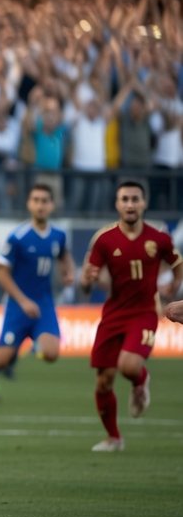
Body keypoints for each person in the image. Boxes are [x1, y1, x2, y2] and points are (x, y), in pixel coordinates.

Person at [78, 180, 181, 452]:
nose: (130, 204)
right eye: (125, 199)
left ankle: (141, 380)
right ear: (117, 204)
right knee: (103, 382)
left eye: (135, 199)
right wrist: (87, 280)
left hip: (145, 312)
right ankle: (114, 438)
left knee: (129, 366)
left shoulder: (158, 238)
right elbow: (87, 283)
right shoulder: (104, 239)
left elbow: (177, 263)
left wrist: (174, 287)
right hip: (113, 314)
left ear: (144, 203)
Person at [0, 184, 73, 420]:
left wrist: (67, 272)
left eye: (44, 200)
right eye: (36, 200)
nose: (40, 205)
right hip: (17, 307)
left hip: (43, 305)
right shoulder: (18, 237)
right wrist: (22, 301)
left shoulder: (58, 235)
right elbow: (0, 272)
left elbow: (64, 256)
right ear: (29, 204)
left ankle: (30, 347)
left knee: (51, 353)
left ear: (51, 205)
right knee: (0, 360)